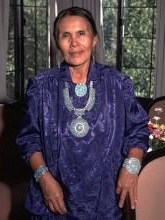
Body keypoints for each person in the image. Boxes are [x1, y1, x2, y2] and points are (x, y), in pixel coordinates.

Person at [16, 7, 149, 220]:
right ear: (57, 42)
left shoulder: (117, 83)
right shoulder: (41, 87)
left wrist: (131, 167)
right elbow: (28, 139)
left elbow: (138, 129)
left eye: (81, 34)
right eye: (65, 35)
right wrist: (44, 179)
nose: (74, 43)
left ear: (94, 39)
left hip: (104, 202)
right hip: (52, 202)